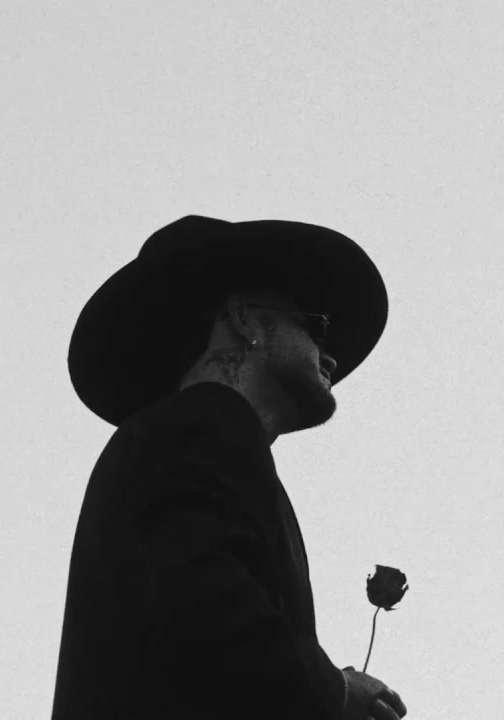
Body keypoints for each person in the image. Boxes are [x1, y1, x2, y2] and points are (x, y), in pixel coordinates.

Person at [53, 214, 408, 719]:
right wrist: (334, 691)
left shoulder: (189, 439)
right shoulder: (199, 425)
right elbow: (206, 611)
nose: (328, 353)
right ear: (243, 319)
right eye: (315, 326)